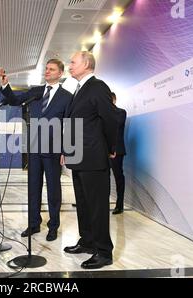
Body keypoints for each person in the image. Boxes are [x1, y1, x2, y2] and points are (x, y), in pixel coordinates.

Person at [0, 59, 72, 241]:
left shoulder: (67, 96)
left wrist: (65, 150)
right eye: (46, 69)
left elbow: (69, 124)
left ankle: (53, 226)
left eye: (51, 69)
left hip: (54, 149)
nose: (47, 72)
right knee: (33, 187)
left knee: (53, 188)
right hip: (33, 147)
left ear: (60, 73)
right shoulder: (36, 92)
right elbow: (15, 100)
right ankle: (33, 224)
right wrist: (5, 85)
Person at [61, 51, 117, 269]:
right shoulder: (80, 89)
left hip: (94, 157)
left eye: (73, 62)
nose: (70, 65)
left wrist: (110, 147)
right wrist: (68, 149)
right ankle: (87, 242)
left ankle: (104, 252)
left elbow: (110, 119)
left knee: (97, 206)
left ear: (86, 64)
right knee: (83, 204)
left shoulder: (98, 86)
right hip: (78, 156)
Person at [109, 92, 127, 215]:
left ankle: (119, 205)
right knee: (103, 178)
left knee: (118, 177)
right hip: (104, 150)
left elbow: (116, 125)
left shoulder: (121, 112)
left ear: (114, 100)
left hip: (117, 150)